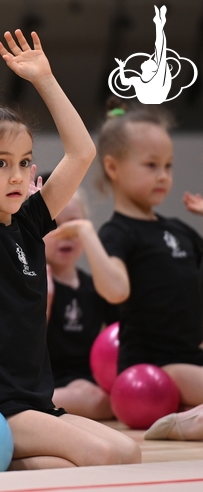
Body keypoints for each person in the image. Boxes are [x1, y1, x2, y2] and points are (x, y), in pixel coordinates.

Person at [0, 27, 140, 469]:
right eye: (1, 163)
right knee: (104, 457)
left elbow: (81, 152)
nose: (16, 175)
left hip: (38, 401)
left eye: (24, 162)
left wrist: (44, 78)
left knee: (127, 451)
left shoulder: (29, 224)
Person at [92, 98, 203, 435]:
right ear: (113, 168)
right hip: (156, 363)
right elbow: (115, 291)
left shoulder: (179, 230)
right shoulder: (117, 233)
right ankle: (179, 423)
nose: (163, 176)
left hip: (191, 353)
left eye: (168, 166)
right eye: (151, 165)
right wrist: (86, 235)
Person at [41, 179, 118, 420]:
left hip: (88, 377)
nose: (65, 234)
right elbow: (22, 346)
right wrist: (46, 299)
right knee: (95, 400)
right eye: (53, 225)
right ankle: (23, 403)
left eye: (73, 224)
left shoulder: (95, 285)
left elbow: (120, 330)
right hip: (48, 376)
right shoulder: (30, 284)